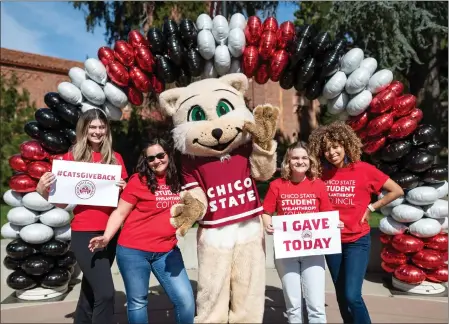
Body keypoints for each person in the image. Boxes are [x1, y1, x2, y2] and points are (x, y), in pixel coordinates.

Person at [88, 137, 195, 324]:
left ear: (168, 154)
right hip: (133, 251)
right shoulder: (138, 180)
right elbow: (120, 212)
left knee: (185, 300)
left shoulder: (181, 179)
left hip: (167, 251)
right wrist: (106, 237)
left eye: (161, 155)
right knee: (138, 302)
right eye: (151, 158)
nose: (157, 161)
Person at [36, 109, 128, 324]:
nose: (97, 131)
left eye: (101, 127)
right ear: (84, 130)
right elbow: (61, 202)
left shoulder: (115, 159)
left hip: (110, 232)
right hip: (84, 233)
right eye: (92, 127)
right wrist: (43, 190)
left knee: (89, 292)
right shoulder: (71, 158)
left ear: (107, 129)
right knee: (105, 293)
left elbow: (124, 201)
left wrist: (124, 188)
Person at [308, 121, 404, 324]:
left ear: (345, 145)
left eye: (335, 146)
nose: (331, 153)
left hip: (357, 240)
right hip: (331, 241)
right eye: (326, 149)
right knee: (341, 295)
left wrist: (371, 208)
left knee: (352, 295)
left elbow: (397, 190)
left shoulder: (364, 170)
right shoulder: (321, 175)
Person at [262, 141, 341, 324]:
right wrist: (268, 225)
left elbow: (327, 214)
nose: (300, 161)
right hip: (286, 252)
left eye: (304, 157)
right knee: (294, 305)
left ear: (310, 161)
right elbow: (266, 213)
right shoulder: (277, 185)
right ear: (288, 162)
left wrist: (334, 224)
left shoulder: (318, 184)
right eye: (295, 158)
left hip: (313, 252)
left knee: (316, 305)